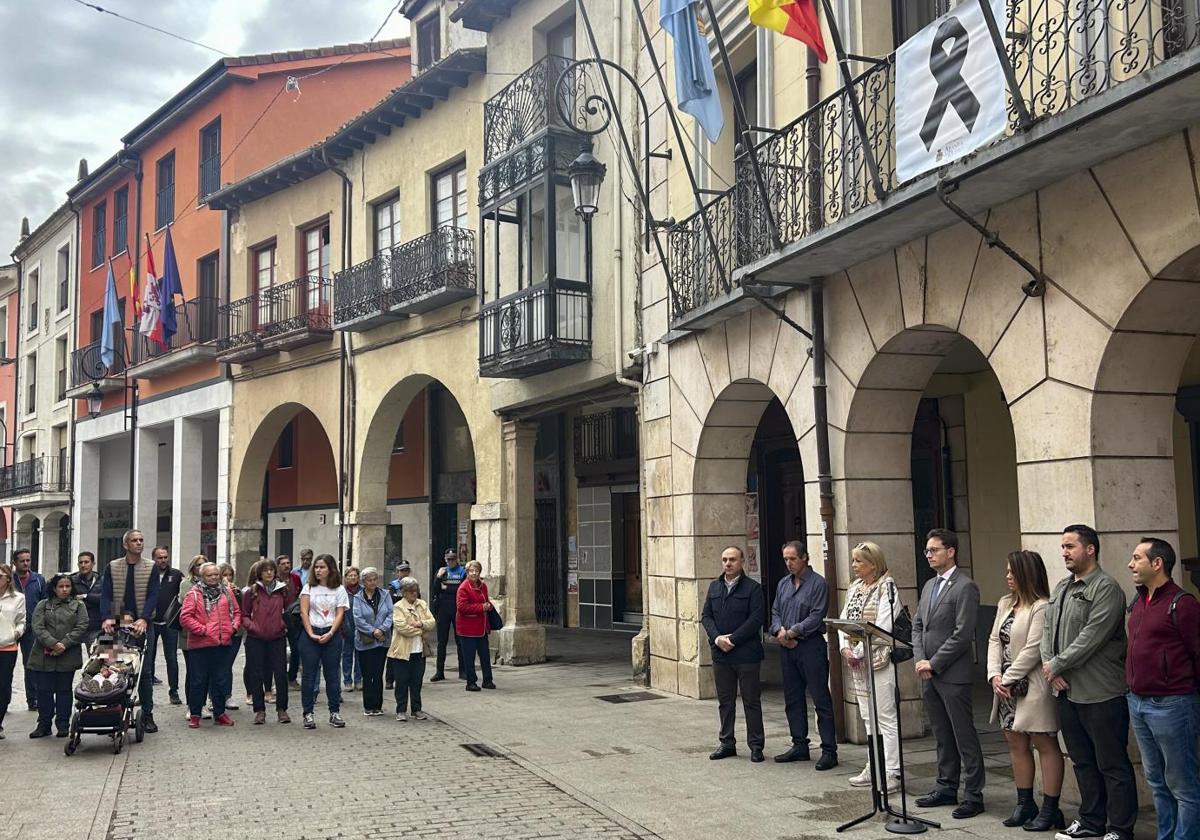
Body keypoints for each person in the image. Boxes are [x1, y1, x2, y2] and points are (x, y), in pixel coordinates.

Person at [1041, 525, 1137, 840]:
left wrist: (1056, 664)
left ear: (1090, 549)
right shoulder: (1062, 587)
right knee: (1082, 762)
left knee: (1112, 764)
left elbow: (1091, 637)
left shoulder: (1106, 588)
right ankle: (1091, 821)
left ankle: (1120, 828)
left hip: (1101, 693)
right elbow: (1047, 631)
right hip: (1067, 692)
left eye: (1070, 546)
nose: (1065, 552)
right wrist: (1050, 665)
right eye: (1063, 547)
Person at [1126, 537, 1199, 840]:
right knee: (1156, 780)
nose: (1131, 564)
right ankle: (1165, 835)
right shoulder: (1139, 600)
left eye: (1137, 558)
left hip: (1172, 704)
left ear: (1157, 563)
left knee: (1182, 783)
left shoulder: (1182, 604)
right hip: (1138, 703)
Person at [987, 550, 1064, 832]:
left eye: (1012, 572)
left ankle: (1051, 808)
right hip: (1005, 687)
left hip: (1031, 686)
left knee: (1043, 742)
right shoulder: (1005, 603)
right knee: (1015, 743)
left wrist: (1007, 677)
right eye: (1007, 571)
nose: (1007, 577)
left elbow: (1033, 648)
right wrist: (994, 675)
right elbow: (994, 639)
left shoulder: (1042, 606)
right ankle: (1024, 803)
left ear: (1026, 574)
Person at [913, 528, 985, 819]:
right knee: (942, 734)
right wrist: (920, 659)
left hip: (952, 673)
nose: (929, 555)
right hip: (927, 672)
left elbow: (963, 633)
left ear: (951, 551)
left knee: (963, 734)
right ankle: (946, 786)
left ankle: (973, 794)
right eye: (927, 551)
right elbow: (918, 625)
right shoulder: (929, 585)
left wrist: (935, 662)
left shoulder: (965, 586)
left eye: (934, 550)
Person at [838, 542, 902, 793]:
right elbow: (844, 618)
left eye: (859, 562)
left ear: (873, 564)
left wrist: (859, 651)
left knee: (886, 716)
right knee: (867, 717)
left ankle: (892, 772)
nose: (854, 566)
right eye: (853, 561)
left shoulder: (887, 587)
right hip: (857, 662)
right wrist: (845, 646)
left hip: (878, 660)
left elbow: (883, 626)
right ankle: (874, 765)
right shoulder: (855, 587)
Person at [770, 540, 837, 769]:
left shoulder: (818, 584)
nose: (789, 563)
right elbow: (776, 610)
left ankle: (829, 750)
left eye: (793, 559)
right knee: (793, 699)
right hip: (787, 648)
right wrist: (779, 631)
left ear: (804, 558)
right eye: (786, 559)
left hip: (810, 646)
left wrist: (792, 632)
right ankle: (799, 745)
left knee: (820, 699)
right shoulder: (783, 584)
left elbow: (816, 616)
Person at [701, 546, 765, 762]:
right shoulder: (714, 587)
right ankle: (726, 743)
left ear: (742, 562)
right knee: (725, 701)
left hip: (747, 655)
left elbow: (756, 619)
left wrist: (733, 639)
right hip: (722, 655)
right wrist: (718, 639)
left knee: (751, 701)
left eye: (733, 560)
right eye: (724, 559)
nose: (728, 563)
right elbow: (706, 616)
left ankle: (756, 745)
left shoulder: (753, 588)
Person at [99, 530, 161, 733]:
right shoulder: (113, 566)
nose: (139, 543)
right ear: (126, 544)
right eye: (134, 540)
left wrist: (144, 618)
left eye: (141, 540)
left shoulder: (150, 567)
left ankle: (148, 715)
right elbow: (106, 594)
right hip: (117, 618)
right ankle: (111, 708)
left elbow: (153, 595)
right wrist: (107, 617)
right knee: (109, 664)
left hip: (142, 622)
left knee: (144, 671)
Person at [27, 573, 89, 738]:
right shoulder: (43, 605)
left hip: (67, 655)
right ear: (54, 588)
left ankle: (63, 724)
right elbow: (38, 627)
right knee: (44, 691)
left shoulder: (78, 605)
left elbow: (82, 626)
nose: (64, 590)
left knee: (64, 691)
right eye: (61, 586)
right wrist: (53, 643)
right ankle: (44, 724)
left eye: (67, 586)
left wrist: (64, 644)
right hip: (44, 655)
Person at [180, 562, 240, 728]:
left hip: (222, 643)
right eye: (209, 575)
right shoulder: (194, 594)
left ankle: (220, 713)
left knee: (220, 680)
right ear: (202, 576)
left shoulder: (227, 592)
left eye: (216, 574)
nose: (213, 577)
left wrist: (233, 627)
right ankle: (195, 715)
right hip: (200, 645)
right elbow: (185, 617)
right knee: (198, 681)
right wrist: (203, 630)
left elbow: (236, 612)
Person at [298, 553, 348, 729]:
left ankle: (334, 712)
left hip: (331, 635)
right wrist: (311, 633)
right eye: (316, 567)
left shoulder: (339, 590)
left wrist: (331, 632)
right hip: (311, 634)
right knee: (309, 676)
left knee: (332, 675)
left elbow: (340, 613)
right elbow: (304, 612)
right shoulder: (308, 588)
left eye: (322, 567)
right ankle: (308, 713)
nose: (318, 570)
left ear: (330, 569)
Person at [241, 557, 292, 725]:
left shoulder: (282, 590)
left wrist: (282, 624)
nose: (269, 572)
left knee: (280, 673)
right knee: (256, 674)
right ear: (259, 573)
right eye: (265, 570)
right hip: (256, 638)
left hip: (277, 637)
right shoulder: (252, 591)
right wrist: (252, 627)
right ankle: (259, 710)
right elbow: (245, 615)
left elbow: (290, 611)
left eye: (271, 569)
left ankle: (281, 709)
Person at [388, 576, 435, 721]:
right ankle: (400, 710)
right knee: (401, 682)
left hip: (419, 651)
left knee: (417, 681)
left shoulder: (422, 604)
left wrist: (420, 624)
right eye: (410, 591)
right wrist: (422, 629)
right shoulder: (398, 607)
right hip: (402, 651)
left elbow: (432, 622)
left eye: (416, 590)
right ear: (404, 592)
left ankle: (417, 709)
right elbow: (402, 628)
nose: (414, 593)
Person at [351, 567, 392, 716]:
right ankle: (368, 705)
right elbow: (358, 619)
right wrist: (373, 631)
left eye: (375, 579)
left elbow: (390, 614)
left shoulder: (385, 595)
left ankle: (378, 705)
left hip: (382, 640)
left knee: (378, 672)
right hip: (365, 641)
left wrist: (382, 629)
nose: (373, 582)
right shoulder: (357, 598)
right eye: (369, 580)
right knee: (367, 674)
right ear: (364, 582)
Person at [146, 545, 184, 706]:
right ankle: (147, 693)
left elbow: (183, 595)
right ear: (153, 559)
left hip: (169, 624)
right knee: (148, 659)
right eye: (159, 557)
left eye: (165, 557)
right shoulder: (147, 575)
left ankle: (173, 691)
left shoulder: (176, 575)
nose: (163, 560)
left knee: (172, 658)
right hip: (151, 622)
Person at [12, 549, 46, 711]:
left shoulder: (38, 580)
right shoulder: (9, 580)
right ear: (15, 563)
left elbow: (44, 603)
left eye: (28, 560)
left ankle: (33, 700)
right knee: (6, 665)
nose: (25, 563)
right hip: (10, 627)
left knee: (31, 665)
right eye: (22, 561)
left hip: (32, 628)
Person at [455, 560, 495, 692]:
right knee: (469, 657)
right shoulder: (463, 588)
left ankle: (487, 680)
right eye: (471, 571)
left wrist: (488, 606)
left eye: (476, 571)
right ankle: (471, 682)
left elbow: (485, 600)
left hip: (482, 627)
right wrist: (481, 607)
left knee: (484, 655)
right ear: (467, 572)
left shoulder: (483, 586)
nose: (474, 573)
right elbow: (462, 607)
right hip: (468, 628)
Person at [432, 549, 467, 682]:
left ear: (456, 559)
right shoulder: (442, 571)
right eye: (448, 559)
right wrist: (439, 578)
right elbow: (435, 589)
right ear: (445, 559)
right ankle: (439, 671)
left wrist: (446, 588)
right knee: (442, 642)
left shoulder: (462, 571)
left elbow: (460, 590)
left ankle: (462, 671)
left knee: (460, 641)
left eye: (453, 559)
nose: (450, 561)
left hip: (457, 608)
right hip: (443, 609)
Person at [0, 564, 26, 738]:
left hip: (7, 647)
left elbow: (22, 621)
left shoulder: (18, 598)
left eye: (1, 576)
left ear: (8, 578)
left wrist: (15, 633)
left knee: (3, 686)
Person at [178, 555, 206, 719]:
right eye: (198, 565)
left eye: (204, 565)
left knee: (205, 671)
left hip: (207, 633)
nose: (201, 568)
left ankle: (202, 704)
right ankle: (191, 705)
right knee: (193, 671)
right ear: (193, 568)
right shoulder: (186, 584)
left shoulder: (213, 583)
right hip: (188, 633)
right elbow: (186, 606)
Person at [217, 563, 244, 710]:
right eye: (224, 575)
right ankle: (214, 696)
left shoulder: (236, 590)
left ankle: (227, 695)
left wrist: (238, 594)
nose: (227, 578)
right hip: (219, 632)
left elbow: (241, 609)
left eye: (230, 575)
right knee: (217, 665)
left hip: (235, 633)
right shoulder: (215, 590)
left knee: (227, 665)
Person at [385, 561, 412, 691]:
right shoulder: (393, 586)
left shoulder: (413, 585)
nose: (404, 573)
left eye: (406, 570)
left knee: (410, 650)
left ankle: (407, 678)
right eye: (401, 571)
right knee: (393, 650)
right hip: (395, 620)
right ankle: (389, 679)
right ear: (397, 573)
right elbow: (391, 602)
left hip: (410, 621)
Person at [278, 554, 304, 686]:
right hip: (278, 617)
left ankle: (292, 677)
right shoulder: (275, 580)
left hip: (294, 617)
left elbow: (300, 595)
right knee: (279, 650)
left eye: (288, 563)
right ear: (278, 566)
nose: (286, 566)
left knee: (296, 648)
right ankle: (280, 679)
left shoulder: (295, 578)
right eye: (283, 563)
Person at [71, 552, 102, 646]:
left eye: (86, 562)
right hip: (77, 627)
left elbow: (105, 599)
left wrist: (86, 597)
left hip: (97, 628)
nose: (83, 565)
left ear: (93, 563)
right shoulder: (71, 580)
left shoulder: (102, 579)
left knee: (99, 657)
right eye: (80, 563)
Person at [341, 566, 363, 692]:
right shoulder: (342, 592)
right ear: (345, 578)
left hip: (360, 628)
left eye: (355, 575)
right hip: (345, 628)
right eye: (350, 575)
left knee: (359, 655)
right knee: (347, 655)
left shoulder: (362, 592)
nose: (353, 578)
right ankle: (347, 680)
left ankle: (358, 680)